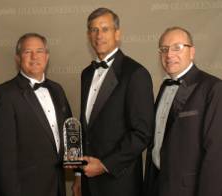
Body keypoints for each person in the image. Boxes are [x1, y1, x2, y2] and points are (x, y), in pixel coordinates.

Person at [71, 7, 154, 196]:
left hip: (118, 183)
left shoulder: (136, 74)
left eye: (105, 29)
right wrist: (78, 175)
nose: (99, 35)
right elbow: (86, 130)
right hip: (87, 182)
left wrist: (104, 165)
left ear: (117, 33)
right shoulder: (86, 74)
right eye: (94, 30)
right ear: (88, 35)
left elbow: (142, 133)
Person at [0, 33, 72, 196]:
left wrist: (71, 158)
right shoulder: (4, 94)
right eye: (27, 52)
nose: (34, 57)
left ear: (47, 57)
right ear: (18, 58)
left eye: (39, 51)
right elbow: (3, 159)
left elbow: (69, 132)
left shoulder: (57, 90)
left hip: (57, 187)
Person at [144, 26, 222, 196]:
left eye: (177, 47)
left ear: (192, 52)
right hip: (157, 186)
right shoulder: (164, 87)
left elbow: (216, 153)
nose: (169, 54)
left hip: (189, 190)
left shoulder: (213, 88)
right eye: (164, 49)